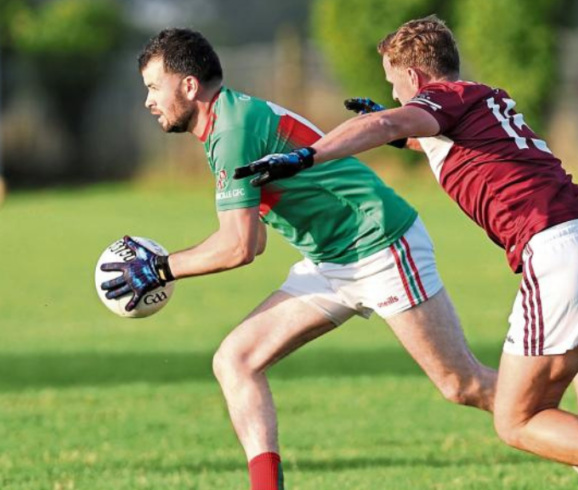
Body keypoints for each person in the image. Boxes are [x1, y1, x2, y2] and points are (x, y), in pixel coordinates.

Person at [239, 16, 578, 490]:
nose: (396, 94)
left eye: (395, 83)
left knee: (516, 419)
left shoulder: (439, 100)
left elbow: (390, 120)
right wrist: (400, 133)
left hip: (562, 254)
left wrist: (306, 155)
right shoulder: (483, 98)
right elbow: (425, 135)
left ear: (414, 77)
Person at [100, 28, 497, 490]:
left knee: (462, 385)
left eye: (153, 87)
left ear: (188, 86)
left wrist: (160, 269)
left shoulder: (231, 130)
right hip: (331, 260)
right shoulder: (226, 122)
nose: (148, 101)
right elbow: (248, 243)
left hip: (380, 243)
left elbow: (241, 246)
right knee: (237, 359)